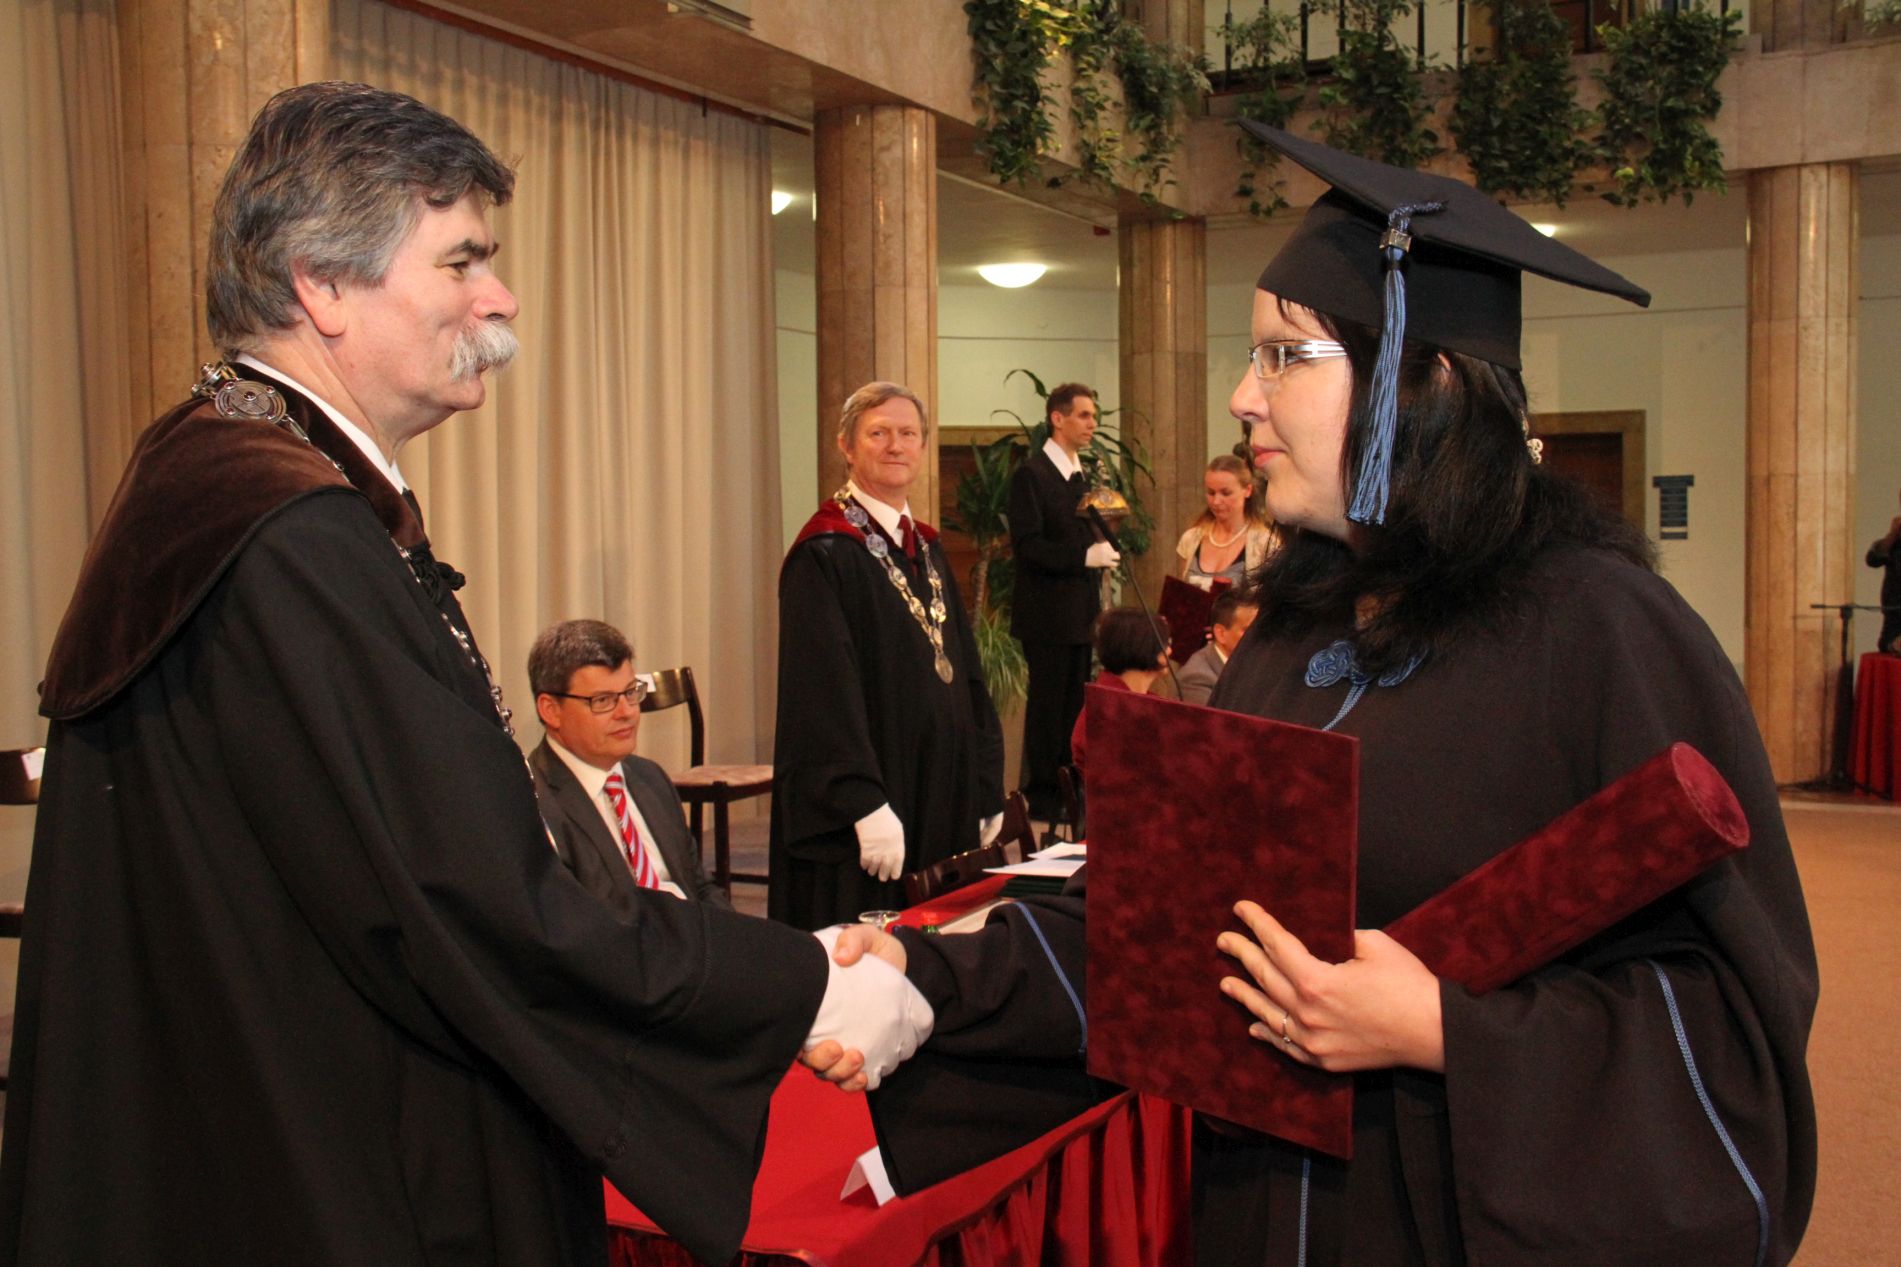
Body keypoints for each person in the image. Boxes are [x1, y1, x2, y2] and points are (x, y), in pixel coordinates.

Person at [813, 124, 1818, 1267]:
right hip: (1254, 1206)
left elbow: (1731, 1032)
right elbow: (1171, 923)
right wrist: (925, 974)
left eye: (1285, 356)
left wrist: (1441, 1029)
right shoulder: (1291, 629)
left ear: (1424, 380)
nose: (1242, 395)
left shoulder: (1602, 632)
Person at [2, 82, 928, 1267]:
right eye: (460, 261)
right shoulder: (289, 533)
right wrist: (800, 981)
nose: (500, 298)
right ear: (320, 284)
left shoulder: (227, 472)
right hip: (332, 1154)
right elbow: (474, 900)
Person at [769, 382, 1005, 930]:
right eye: (878, 433)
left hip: (939, 790)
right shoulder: (824, 553)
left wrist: (985, 779)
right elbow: (819, 695)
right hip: (874, 803)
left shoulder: (926, 547)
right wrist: (862, 803)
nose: (896, 445)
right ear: (847, 446)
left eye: (908, 434)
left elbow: (966, 671)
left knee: (935, 951)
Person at [527, 619, 730, 911]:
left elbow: (699, 887)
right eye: (603, 700)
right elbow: (575, 924)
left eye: (631, 692)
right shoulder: (534, 802)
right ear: (551, 710)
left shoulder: (651, 777)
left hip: (690, 931)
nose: (627, 713)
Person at [1009, 382, 1121, 820]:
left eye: (1094, 416)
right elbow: (1028, 546)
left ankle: (1069, 792)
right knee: (1048, 707)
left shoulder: (1079, 475)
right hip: (1046, 615)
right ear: (1058, 418)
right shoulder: (1032, 475)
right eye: (1084, 415)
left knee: (1073, 707)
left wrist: (1104, 545)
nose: (1092, 424)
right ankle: (1043, 795)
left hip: (1078, 613)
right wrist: (1084, 556)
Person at [1069, 609, 1170, 773]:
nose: (1170, 651)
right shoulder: (1108, 709)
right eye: (1164, 645)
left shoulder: (1131, 701)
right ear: (1142, 647)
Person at [1176, 452, 1277, 591]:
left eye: (1226, 493)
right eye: (1211, 493)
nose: (1216, 501)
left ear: (1247, 490)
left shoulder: (1265, 544)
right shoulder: (1191, 539)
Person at [1178, 588, 1258, 706]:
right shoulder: (1197, 678)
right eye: (1248, 630)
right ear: (1221, 633)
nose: (1258, 637)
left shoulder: (1256, 664)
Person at [1867, 491, 1901, 653]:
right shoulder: (1893, 543)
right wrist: (1892, 535)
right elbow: (1872, 560)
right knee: (1888, 646)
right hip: (1895, 614)